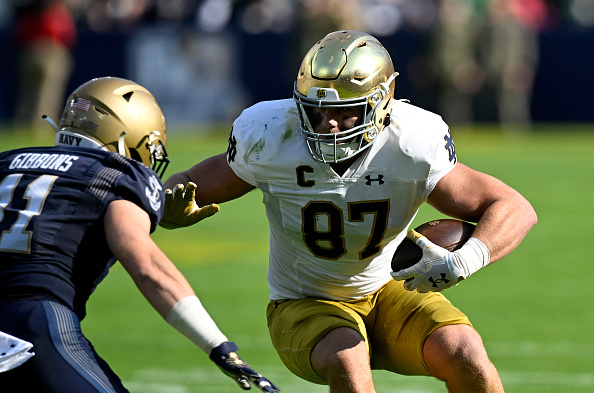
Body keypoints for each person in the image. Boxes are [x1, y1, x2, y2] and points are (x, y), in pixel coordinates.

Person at [161, 31, 537, 392]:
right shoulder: (272, 137)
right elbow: (188, 184)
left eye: (346, 112)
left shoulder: (412, 143)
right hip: (304, 302)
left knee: (464, 351)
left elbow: (514, 207)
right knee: (348, 356)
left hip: (388, 289)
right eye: (317, 110)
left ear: (382, 102)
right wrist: (164, 208)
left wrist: (464, 261)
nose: (329, 124)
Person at [0, 77, 279, 393]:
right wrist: (219, 347)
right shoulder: (112, 175)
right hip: (31, 320)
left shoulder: (7, 162)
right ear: (126, 135)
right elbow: (148, 267)